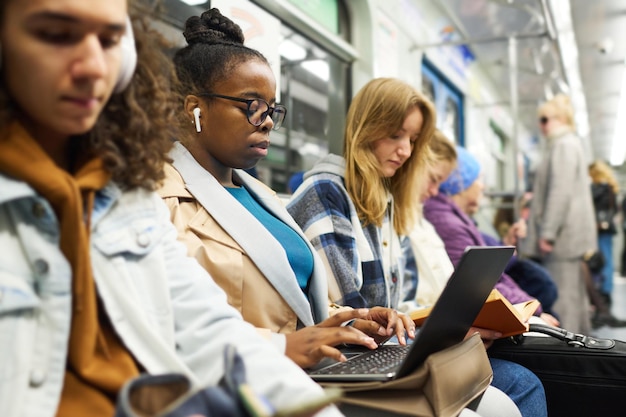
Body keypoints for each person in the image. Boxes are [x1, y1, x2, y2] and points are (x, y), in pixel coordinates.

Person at [0, 1, 346, 416]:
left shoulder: (123, 194)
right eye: (56, 34)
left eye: (110, 40)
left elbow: (208, 330)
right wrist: (282, 346)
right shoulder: (158, 193)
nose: (94, 65)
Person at [159, 7, 412, 370]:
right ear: (195, 109)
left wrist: (354, 320)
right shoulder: (162, 200)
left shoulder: (261, 197)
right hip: (247, 377)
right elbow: (167, 320)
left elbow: (294, 305)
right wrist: (278, 346)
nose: (266, 124)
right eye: (252, 106)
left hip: (311, 369)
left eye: (271, 110)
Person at [287, 81, 546, 417]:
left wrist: (443, 330)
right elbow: (348, 316)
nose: (406, 151)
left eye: (411, 140)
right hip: (350, 360)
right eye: (395, 135)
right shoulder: (324, 193)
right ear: (365, 129)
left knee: (520, 382)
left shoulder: (387, 201)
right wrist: (435, 335)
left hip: (392, 349)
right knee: (517, 387)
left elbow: (401, 302)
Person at [422, 145, 560, 327]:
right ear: (462, 184)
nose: (483, 186)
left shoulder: (458, 220)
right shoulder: (449, 224)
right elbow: (479, 285)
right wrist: (533, 309)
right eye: (478, 179)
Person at [521, 94, 597, 334]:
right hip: (569, 237)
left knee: (563, 298)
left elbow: (559, 192)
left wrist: (548, 233)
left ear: (561, 119)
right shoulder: (567, 144)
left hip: (562, 238)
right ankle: (581, 347)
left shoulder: (563, 145)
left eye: (544, 119)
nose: (541, 125)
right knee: (574, 296)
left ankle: (570, 350)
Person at [588, 159, 619, 303]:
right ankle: (606, 290)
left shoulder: (598, 188)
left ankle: (604, 291)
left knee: (603, 260)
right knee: (607, 259)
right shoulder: (611, 187)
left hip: (599, 229)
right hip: (607, 228)